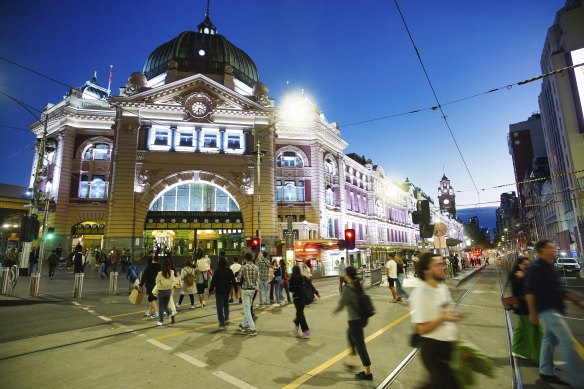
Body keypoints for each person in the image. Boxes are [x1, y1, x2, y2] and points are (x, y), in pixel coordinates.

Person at [525, 240, 584, 387]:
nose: (554, 250)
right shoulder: (536, 268)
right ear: (542, 250)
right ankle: (577, 381)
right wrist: (532, 313)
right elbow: (530, 292)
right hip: (548, 310)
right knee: (568, 343)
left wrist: (577, 301)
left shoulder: (550, 267)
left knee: (549, 340)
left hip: (556, 308)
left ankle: (546, 371)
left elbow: (558, 289)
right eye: (551, 248)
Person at [410, 253, 461, 389]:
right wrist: (443, 318)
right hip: (432, 349)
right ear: (427, 270)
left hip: (447, 346)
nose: (443, 267)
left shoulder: (442, 288)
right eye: (438, 265)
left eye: (442, 264)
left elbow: (449, 311)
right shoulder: (420, 294)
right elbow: (421, 329)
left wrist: (460, 343)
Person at [333, 266, 372, 381]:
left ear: (348, 275)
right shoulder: (358, 284)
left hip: (355, 320)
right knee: (350, 334)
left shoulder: (348, 288)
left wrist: (335, 312)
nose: (343, 275)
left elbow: (342, 303)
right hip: (361, 318)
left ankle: (367, 373)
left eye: (345, 274)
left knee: (360, 345)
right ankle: (353, 360)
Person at [508, 257, 542, 363]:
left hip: (528, 307)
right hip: (524, 308)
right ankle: (541, 357)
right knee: (534, 333)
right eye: (525, 264)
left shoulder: (526, 275)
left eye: (528, 264)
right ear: (519, 265)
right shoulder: (516, 277)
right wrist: (521, 279)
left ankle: (517, 350)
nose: (527, 266)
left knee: (521, 330)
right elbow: (518, 293)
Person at [209, 257, 236, 329]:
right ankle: (226, 318)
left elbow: (213, 281)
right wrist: (236, 291)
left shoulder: (217, 271)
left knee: (219, 307)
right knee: (226, 305)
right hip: (227, 291)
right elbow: (233, 281)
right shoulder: (229, 271)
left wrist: (210, 290)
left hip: (219, 291)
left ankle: (221, 323)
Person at [238, 253, 259, 336]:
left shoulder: (243, 267)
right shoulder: (256, 267)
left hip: (245, 290)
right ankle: (243, 326)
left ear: (245, 259)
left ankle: (253, 329)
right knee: (248, 308)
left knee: (247, 310)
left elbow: (238, 278)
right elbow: (257, 278)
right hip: (253, 290)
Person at [288, 264, 312, 339]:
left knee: (300, 314)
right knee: (299, 313)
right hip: (303, 298)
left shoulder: (292, 278)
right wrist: (316, 292)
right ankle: (296, 326)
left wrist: (296, 288)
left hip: (297, 298)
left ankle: (306, 331)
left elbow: (290, 289)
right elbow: (310, 284)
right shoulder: (303, 277)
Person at [155, 258, 176, 326]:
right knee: (165, 305)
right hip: (168, 291)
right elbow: (173, 280)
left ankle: (161, 321)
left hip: (161, 291)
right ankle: (170, 315)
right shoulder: (172, 272)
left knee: (161, 306)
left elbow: (157, 282)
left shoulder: (160, 273)